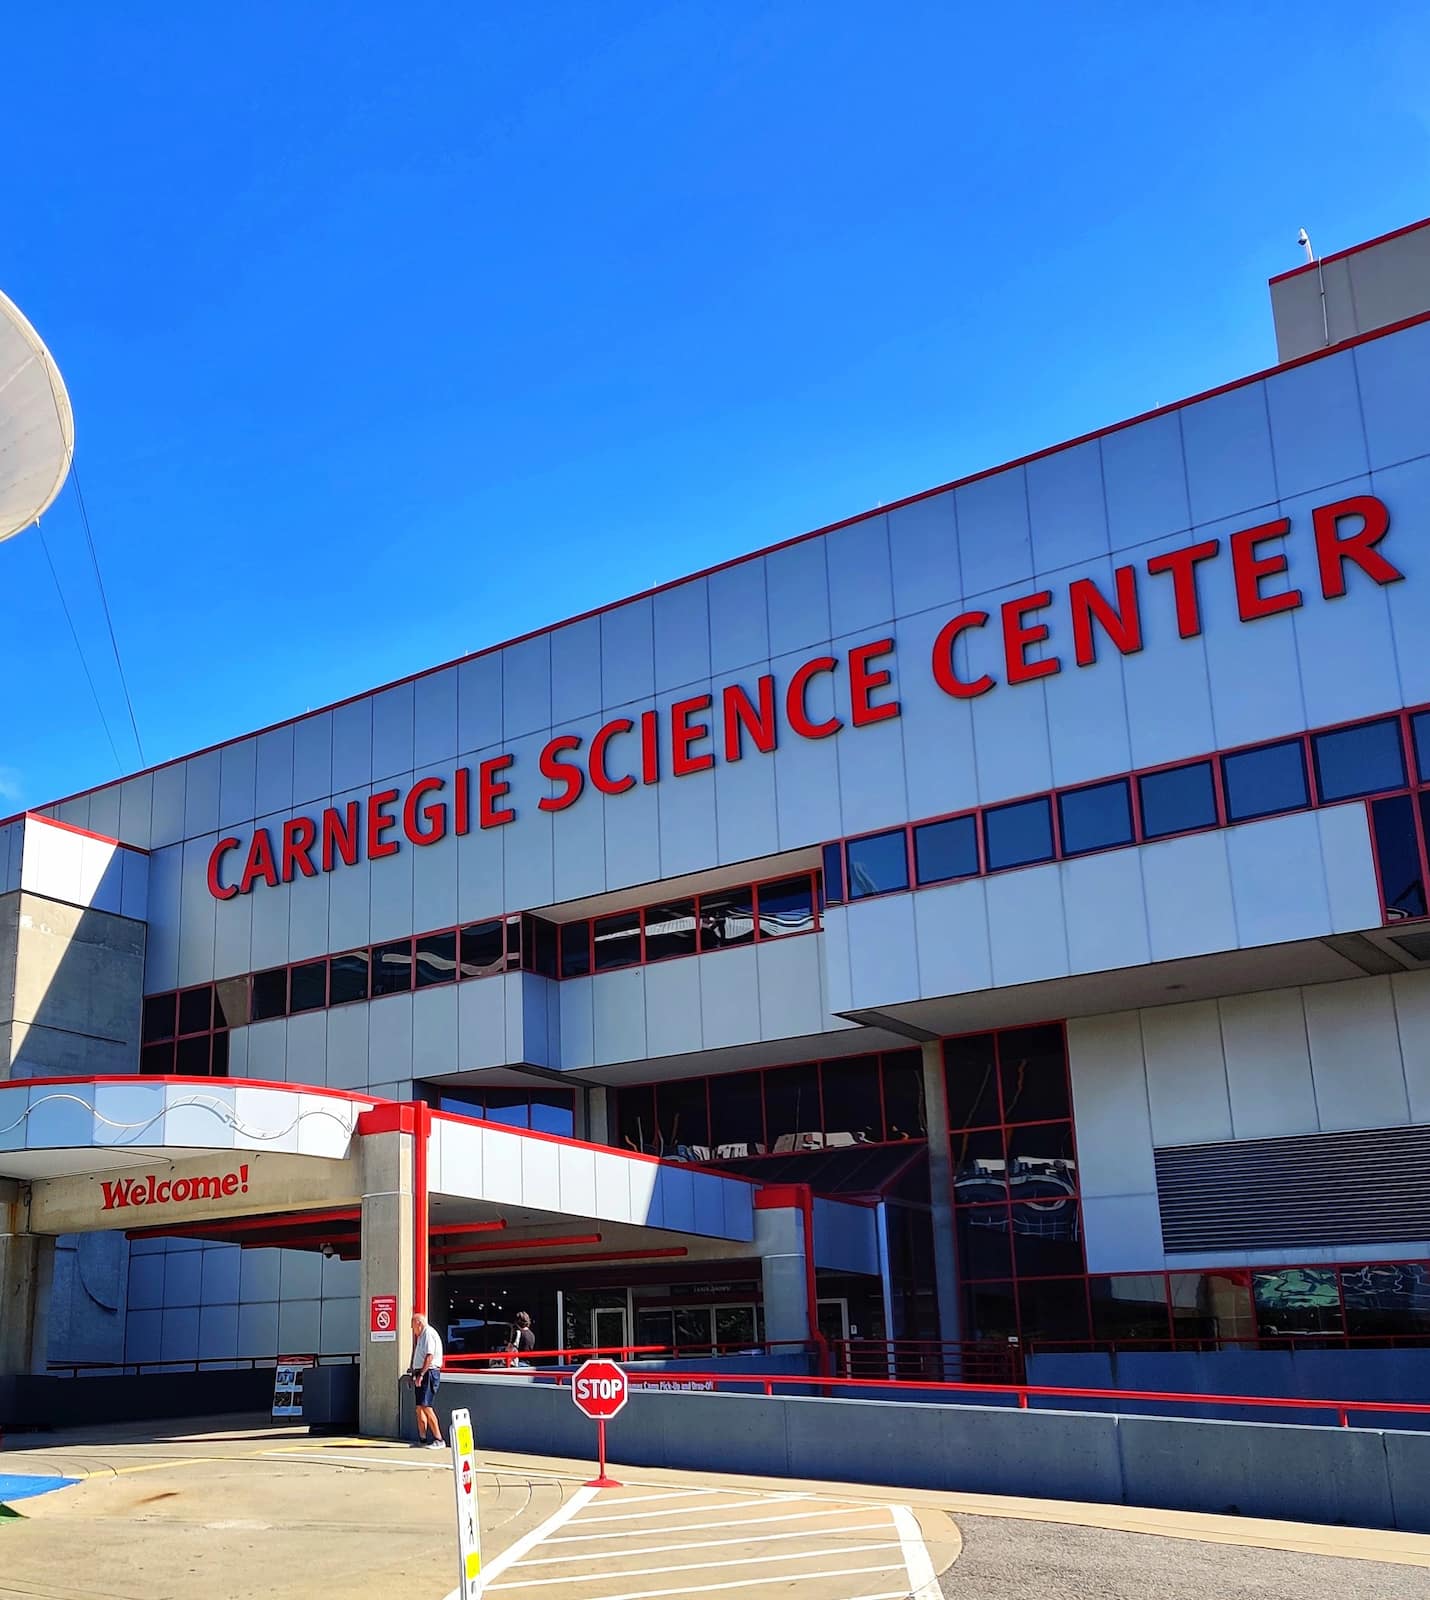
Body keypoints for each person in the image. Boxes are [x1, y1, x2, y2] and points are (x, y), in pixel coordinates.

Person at [408, 1312, 445, 1448]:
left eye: (413, 1326)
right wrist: (415, 1373)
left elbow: (429, 1356)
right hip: (421, 1373)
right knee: (419, 1408)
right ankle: (422, 1439)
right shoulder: (421, 1336)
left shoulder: (428, 1333)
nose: (413, 1330)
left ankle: (439, 1439)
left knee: (426, 1406)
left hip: (429, 1373)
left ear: (419, 1323)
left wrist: (422, 1374)